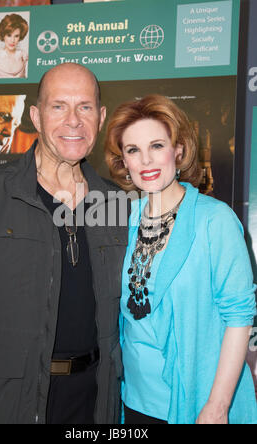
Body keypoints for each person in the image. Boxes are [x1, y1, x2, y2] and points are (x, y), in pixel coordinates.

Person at [0, 63, 128, 424]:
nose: (73, 120)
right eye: (58, 106)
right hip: (0, 404)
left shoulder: (117, 204)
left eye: (84, 107)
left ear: (100, 117)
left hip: (92, 402)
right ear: (35, 116)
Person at [105, 94, 257, 424]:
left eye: (157, 145)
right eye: (133, 150)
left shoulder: (214, 220)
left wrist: (217, 406)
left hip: (195, 403)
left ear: (178, 150)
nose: (146, 160)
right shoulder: (123, 220)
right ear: (124, 163)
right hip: (130, 402)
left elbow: (239, 317)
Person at [0, 13, 29, 79]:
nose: (12, 40)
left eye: (16, 36)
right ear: (3, 35)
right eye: (9, 35)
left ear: (20, 36)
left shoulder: (23, 56)